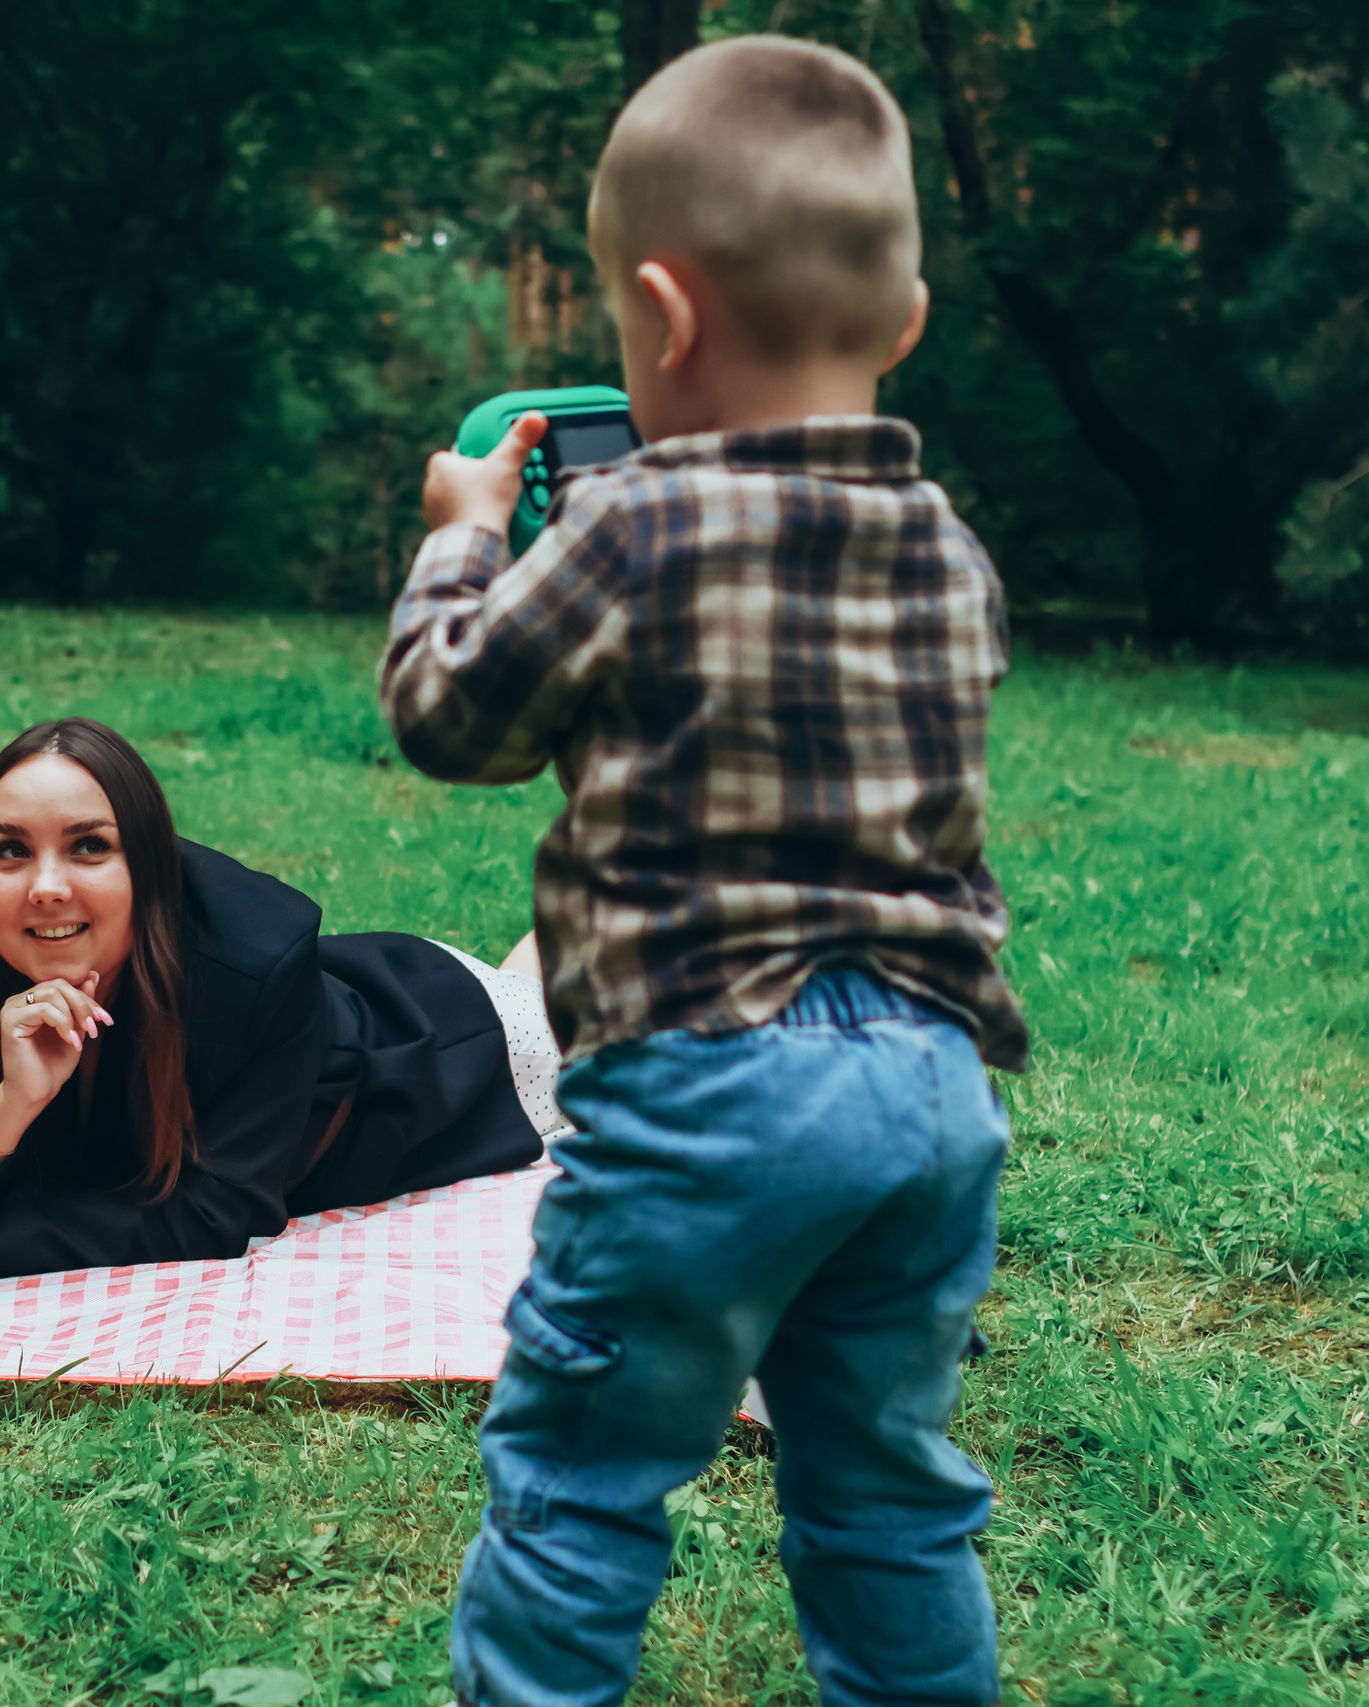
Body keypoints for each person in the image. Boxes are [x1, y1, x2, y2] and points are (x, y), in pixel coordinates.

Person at [381, 37, 1030, 1707]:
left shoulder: (628, 526)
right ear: (905, 325)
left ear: (661, 320)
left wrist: (464, 532)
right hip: (932, 1090)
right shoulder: (951, 553)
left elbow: (454, 718)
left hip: (707, 1089)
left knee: (582, 1481)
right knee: (890, 1496)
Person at [0, 716, 550, 1305]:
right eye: (10, 851)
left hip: (443, 1042)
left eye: (89, 846)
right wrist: (7, 1106)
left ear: (149, 869)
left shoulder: (255, 966)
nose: (46, 886)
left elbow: (211, 1213)